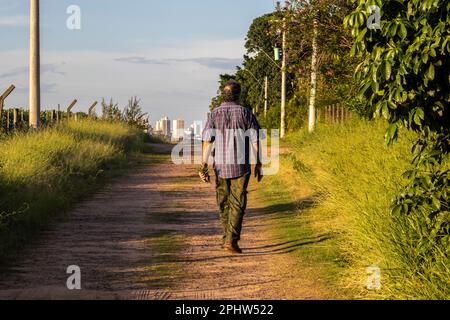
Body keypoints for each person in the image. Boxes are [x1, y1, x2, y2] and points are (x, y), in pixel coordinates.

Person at [200, 80, 263, 254]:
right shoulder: (246, 113)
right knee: (237, 203)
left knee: (224, 202)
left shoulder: (213, 114)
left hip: (220, 166)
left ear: (223, 95)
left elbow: (206, 141)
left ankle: (227, 239)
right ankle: (230, 240)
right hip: (241, 167)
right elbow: (256, 141)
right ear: (238, 95)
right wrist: (258, 163)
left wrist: (203, 166)